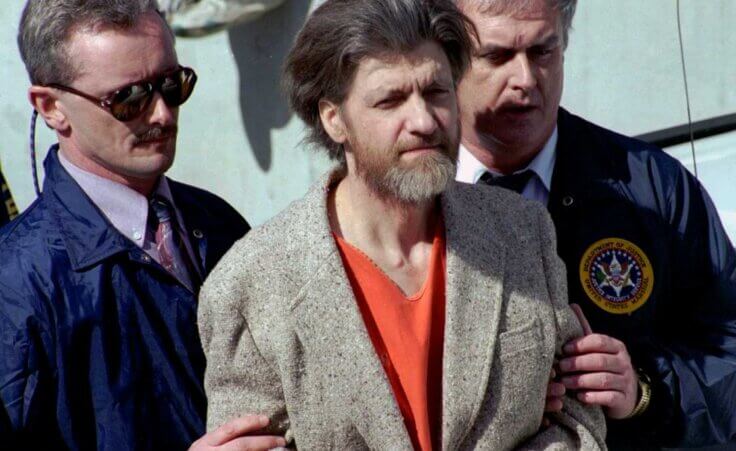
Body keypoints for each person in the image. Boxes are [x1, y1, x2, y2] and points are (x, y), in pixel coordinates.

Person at [198, 0, 606, 449]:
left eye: (436, 92)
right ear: (334, 119)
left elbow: (577, 419)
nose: (424, 121)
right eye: (390, 100)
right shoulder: (250, 286)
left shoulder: (522, 230)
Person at [0, 1, 285, 450]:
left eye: (172, 85)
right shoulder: (15, 285)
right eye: (129, 99)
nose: (161, 115)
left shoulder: (220, 225)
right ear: (51, 107)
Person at [454, 0, 736, 448]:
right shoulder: (405, 203)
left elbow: (728, 351)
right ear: (447, 56)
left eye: (543, 52)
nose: (525, 79)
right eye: (498, 56)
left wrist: (645, 391)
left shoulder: (652, 190)